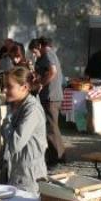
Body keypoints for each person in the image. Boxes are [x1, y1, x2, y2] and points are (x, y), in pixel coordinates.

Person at [0, 67, 47, 192]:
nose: (4, 90)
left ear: (24, 87)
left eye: (9, 86)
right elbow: (5, 150)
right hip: (13, 177)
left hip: (28, 180)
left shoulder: (32, 110)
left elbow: (14, 144)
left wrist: (7, 121)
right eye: (4, 86)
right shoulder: (15, 106)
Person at [35, 37, 66, 167]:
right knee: (52, 127)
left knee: (51, 128)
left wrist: (41, 83)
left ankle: (57, 157)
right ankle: (56, 155)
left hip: (50, 96)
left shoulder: (48, 54)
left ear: (41, 45)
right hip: (52, 96)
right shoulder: (50, 54)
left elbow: (53, 71)